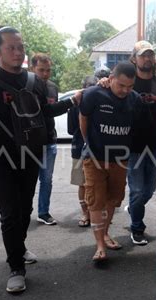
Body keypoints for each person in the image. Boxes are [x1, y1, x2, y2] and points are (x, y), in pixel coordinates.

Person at [0, 26, 80, 293]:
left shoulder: (33, 81)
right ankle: (16, 266)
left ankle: (19, 246)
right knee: (9, 214)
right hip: (2, 158)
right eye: (11, 48)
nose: (18, 53)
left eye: (21, 47)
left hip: (31, 154)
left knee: (25, 210)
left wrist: (72, 101)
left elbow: (46, 111)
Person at [79, 61, 141, 262]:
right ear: (111, 78)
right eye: (121, 85)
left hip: (120, 160)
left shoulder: (135, 99)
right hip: (95, 158)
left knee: (113, 199)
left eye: (130, 86)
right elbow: (84, 119)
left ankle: (106, 234)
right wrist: (91, 143)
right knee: (96, 202)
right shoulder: (94, 94)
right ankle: (99, 246)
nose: (125, 90)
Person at [125, 41, 156, 245]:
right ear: (134, 59)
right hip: (132, 147)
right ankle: (137, 228)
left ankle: (134, 208)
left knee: (148, 190)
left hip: (153, 145)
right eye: (143, 55)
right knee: (137, 190)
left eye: (151, 55)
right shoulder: (128, 82)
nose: (147, 59)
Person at [30, 53, 64, 226]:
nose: (45, 74)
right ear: (32, 68)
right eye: (41, 70)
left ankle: (43, 212)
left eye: (48, 70)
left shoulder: (52, 87)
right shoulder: (26, 86)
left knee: (47, 179)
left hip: (50, 140)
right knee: (27, 179)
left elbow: (53, 110)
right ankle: (24, 211)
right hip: (30, 143)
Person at [68, 75, 98, 227]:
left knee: (94, 184)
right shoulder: (75, 105)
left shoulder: (102, 103)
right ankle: (85, 213)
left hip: (96, 150)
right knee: (82, 183)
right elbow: (71, 129)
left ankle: (94, 214)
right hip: (80, 148)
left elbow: (70, 129)